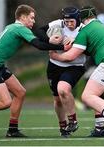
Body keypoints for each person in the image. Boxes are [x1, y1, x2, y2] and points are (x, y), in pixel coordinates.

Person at [0, 4, 70, 138]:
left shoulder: (14, 27)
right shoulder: (19, 28)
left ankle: (12, 130)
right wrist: (62, 47)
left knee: (20, 93)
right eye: (31, 18)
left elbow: (39, 39)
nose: (33, 21)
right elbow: (38, 45)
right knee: (6, 102)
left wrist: (51, 41)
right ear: (22, 17)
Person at [49, 5, 104, 137]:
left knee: (87, 96)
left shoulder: (85, 30)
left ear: (82, 19)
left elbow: (70, 56)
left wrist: (54, 55)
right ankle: (99, 129)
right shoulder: (103, 27)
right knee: (97, 94)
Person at [35, 6, 86, 137]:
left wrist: (76, 43)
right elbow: (39, 31)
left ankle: (73, 121)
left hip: (75, 66)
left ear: (78, 19)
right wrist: (49, 40)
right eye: (66, 21)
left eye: (71, 22)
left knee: (63, 89)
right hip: (54, 66)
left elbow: (91, 49)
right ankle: (63, 127)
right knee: (57, 100)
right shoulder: (58, 24)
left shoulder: (84, 30)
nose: (68, 24)